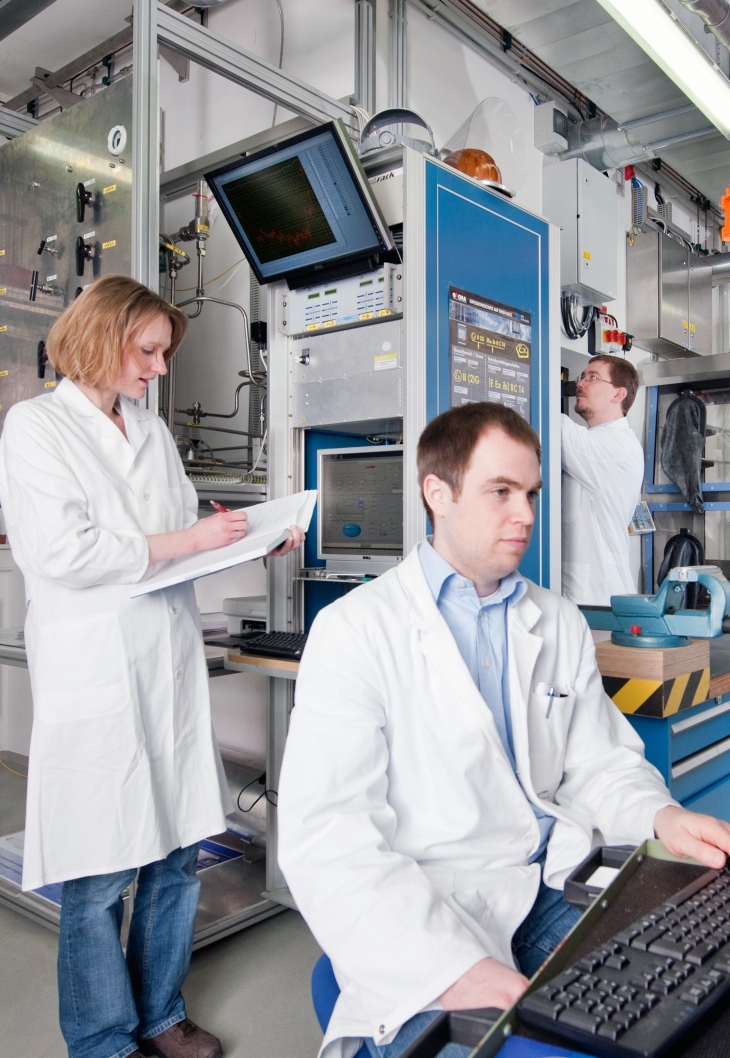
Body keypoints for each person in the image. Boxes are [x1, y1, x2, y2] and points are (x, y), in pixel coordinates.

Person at [277, 401, 730, 1058]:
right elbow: (329, 840)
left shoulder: (556, 620)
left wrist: (659, 816)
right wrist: (451, 968)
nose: (525, 514)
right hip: (434, 899)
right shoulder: (355, 632)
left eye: (531, 494)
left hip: (552, 883)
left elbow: (601, 763)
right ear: (438, 492)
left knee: (689, 1000)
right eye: (501, 493)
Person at [0, 275, 304, 1058]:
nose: (160, 369)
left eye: (164, 353)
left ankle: (161, 1014)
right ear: (101, 337)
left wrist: (244, 538)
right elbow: (62, 552)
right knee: (99, 875)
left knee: (177, 857)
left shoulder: (152, 432)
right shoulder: (35, 427)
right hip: (96, 669)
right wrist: (190, 543)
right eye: (149, 351)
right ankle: (103, 1039)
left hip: (164, 666)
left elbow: (175, 534)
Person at [561, 354, 644, 606]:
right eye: (582, 376)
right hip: (585, 592)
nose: (581, 383)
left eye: (593, 377)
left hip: (598, 594)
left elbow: (558, 430)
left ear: (618, 395)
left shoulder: (617, 445)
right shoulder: (595, 441)